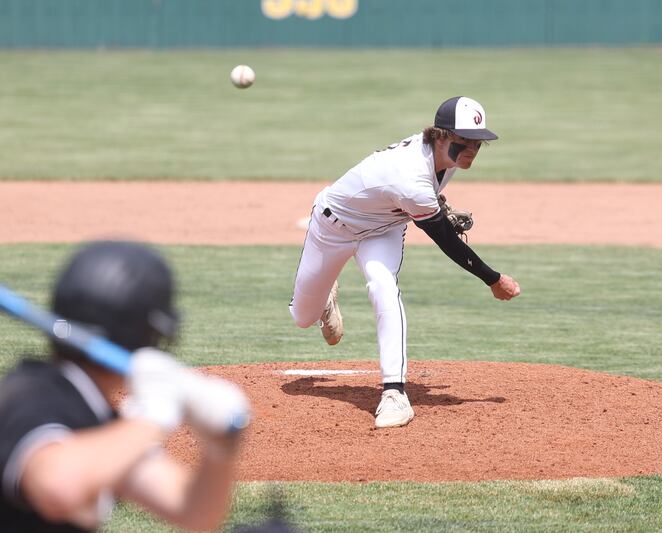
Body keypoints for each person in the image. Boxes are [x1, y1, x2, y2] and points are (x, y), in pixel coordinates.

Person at [289, 96, 521, 429]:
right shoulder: (410, 178)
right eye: (463, 141)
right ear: (440, 135)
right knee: (302, 317)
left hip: (382, 230)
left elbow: (423, 194)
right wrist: (493, 279)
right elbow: (445, 239)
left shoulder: (444, 159)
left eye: (478, 142)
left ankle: (394, 393)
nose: (472, 149)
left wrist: (435, 205)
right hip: (332, 227)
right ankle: (324, 298)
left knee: (383, 286)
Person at [0, 241, 250, 532]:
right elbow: (58, 488)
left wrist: (219, 451)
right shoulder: (32, 394)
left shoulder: (96, 416)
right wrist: (153, 418)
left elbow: (194, 512)